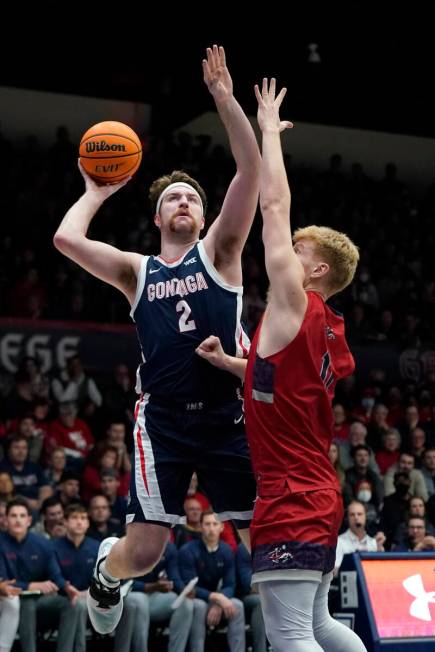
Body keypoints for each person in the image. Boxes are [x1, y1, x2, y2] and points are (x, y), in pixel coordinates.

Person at [53, 44, 259, 634]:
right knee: (143, 554)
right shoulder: (137, 270)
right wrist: (97, 189)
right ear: (158, 217)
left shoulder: (221, 251)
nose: (185, 201)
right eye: (173, 197)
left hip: (227, 415)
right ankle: (106, 574)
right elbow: (67, 240)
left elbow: (248, 170)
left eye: (192, 195)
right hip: (164, 418)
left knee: (263, 540)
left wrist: (224, 98)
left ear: (204, 211)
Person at [196, 78, 366, 651]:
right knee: (318, 626)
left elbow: (273, 203)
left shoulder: (293, 299)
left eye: (299, 253)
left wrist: (268, 131)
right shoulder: (323, 327)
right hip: (319, 491)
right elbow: (278, 383)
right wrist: (230, 364)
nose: (287, 254)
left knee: (289, 634)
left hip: (292, 494)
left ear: (315, 273)